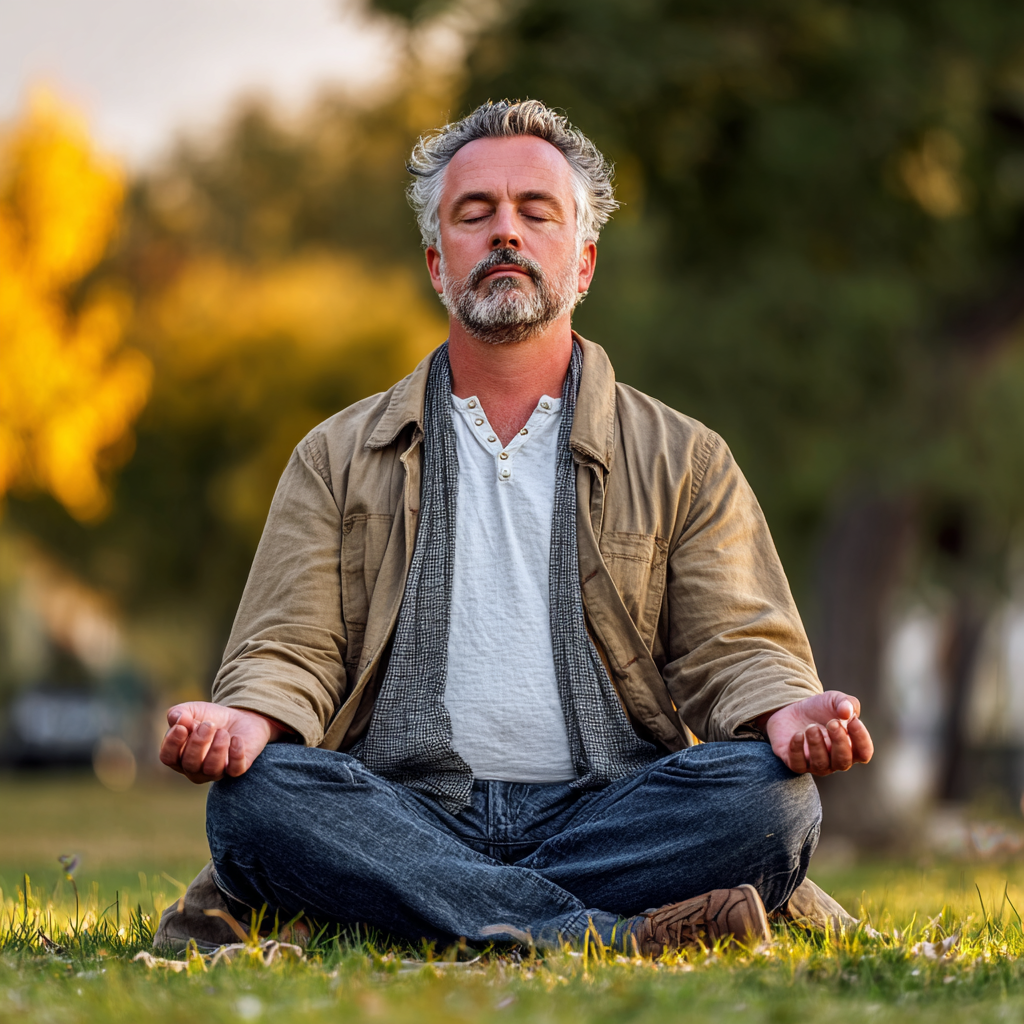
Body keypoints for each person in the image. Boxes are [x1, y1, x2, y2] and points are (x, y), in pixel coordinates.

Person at [154, 99, 873, 957]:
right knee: (256, 802)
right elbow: (288, 648)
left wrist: (786, 710)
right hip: (404, 811)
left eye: (536, 213)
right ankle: (608, 934)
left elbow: (737, 646)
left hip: (610, 811)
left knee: (771, 798)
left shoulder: (686, 457)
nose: (506, 234)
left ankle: (443, 911)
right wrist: (249, 722)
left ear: (585, 261)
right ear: (435, 260)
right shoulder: (334, 456)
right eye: (475, 214)